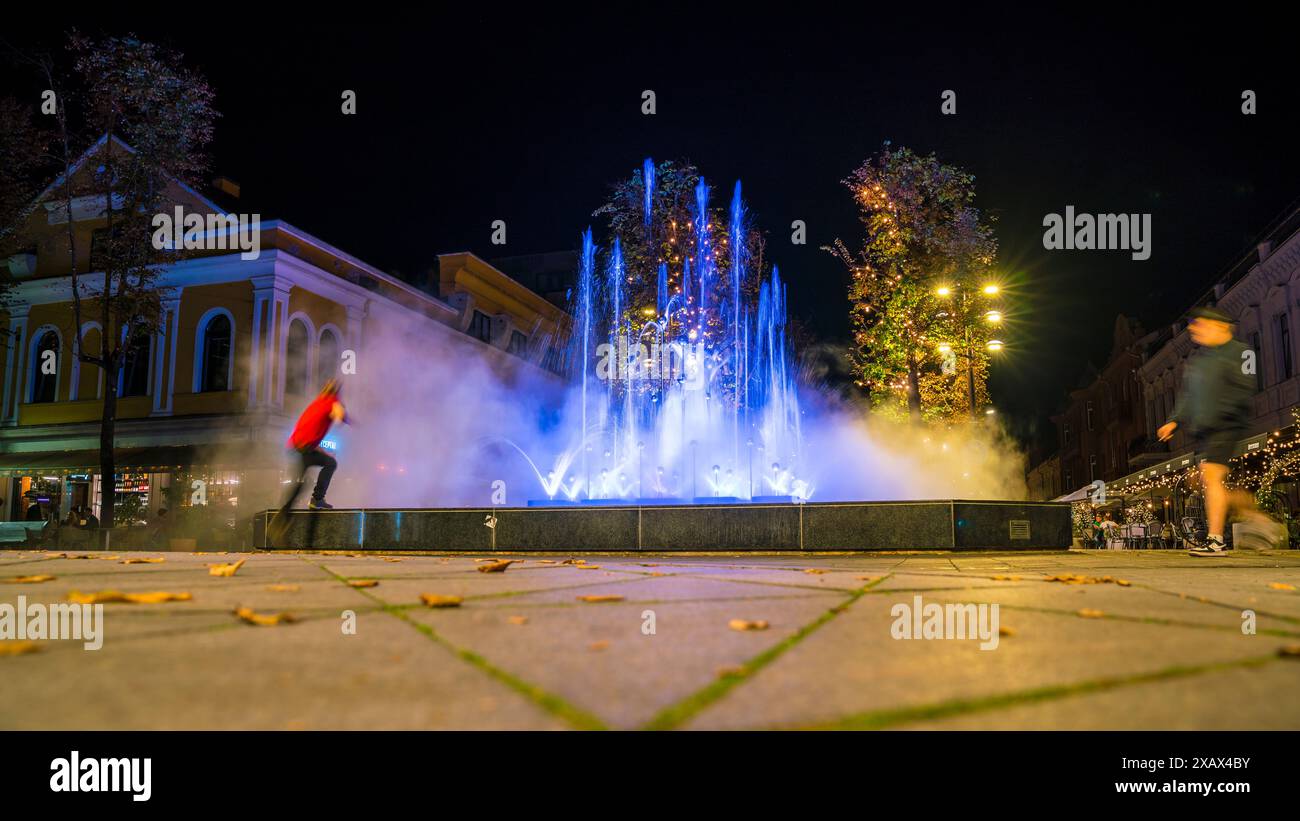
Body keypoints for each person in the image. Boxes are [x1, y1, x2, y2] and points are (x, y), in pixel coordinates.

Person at [1157, 306, 1262, 556]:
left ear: (1220, 326)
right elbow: (1188, 396)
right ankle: (1256, 517)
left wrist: (1223, 412)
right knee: (1209, 480)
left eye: (1199, 325)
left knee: (1211, 477)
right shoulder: (1199, 360)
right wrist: (1174, 421)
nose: (1193, 330)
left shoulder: (1243, 352)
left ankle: (1216, 541)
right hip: (1205, 429)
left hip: (1227, 423)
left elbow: (1246, 387)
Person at [280, 379, 348, 512]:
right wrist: (342, 418)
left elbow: (309, 439)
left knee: (302, 479)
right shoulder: (332, 401)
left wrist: (325, 452)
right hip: (304, 447)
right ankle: (317, 499)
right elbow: (339, 414)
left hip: (295, 447)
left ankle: (287, 507)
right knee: (331, 464)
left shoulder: (317, 403)